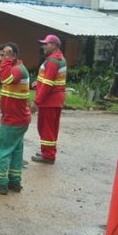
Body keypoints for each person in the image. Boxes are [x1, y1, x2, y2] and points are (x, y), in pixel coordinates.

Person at [0, 42, 31, 195]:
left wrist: (6, 60)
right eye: (0, 55)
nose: (0, 58)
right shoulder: (15, 68)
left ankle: (0, 183)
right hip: (18, 118)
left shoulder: (17, 70)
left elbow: (6, 78)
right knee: (15, 150)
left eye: (3, 55)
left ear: (13, 56)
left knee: (0, 148)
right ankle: (14, 182)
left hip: (14, 120)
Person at [31, 34, 67, 164]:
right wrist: (38, 83)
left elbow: (48, 84)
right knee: (50, 127)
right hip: (55, 100)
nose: (43, 46)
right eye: (43, 43)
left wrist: (36, 102)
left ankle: (48, 155)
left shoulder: (52, 61)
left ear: (55, 45)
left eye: (46, 44)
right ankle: (48, 151)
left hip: (50, 101)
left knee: (45, 128)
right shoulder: (57, 58)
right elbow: (48, 80)